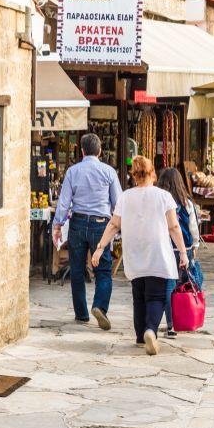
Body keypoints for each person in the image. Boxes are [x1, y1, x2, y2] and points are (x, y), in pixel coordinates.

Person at [91, 156, 188, 355]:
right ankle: (150, 330)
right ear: (152, 173)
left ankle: (139, 336)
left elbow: (114, 225)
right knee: (156, 297)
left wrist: (100, 247)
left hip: (134, 254)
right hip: (158, 253)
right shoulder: (163, 196)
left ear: (133, 175)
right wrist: (183, 252)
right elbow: (174, 226)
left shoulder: (125, 197)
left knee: (139, 295)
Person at [53, 133, 123, 330]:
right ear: (100, 151)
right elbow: (118, 203)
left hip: (77, 223)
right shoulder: (109, 172)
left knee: (76, 269)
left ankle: (82, 314)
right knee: (103, 270)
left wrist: (57, 226)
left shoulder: (72, 172)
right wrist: (118, 228)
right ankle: (99, 305)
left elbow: (64, 202)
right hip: (101, 225)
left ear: (81, 151)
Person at [156, 168, 200, 338]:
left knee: (167, 287)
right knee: (181, 286)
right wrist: (195, 245)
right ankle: (183, 318)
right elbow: (193, 226)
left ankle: (170, 325)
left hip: (163, 247)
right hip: (184, 248)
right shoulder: (187, 202)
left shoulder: (159, 201)